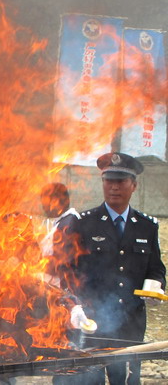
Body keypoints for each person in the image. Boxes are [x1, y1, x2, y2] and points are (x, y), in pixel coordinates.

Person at [61, 152, 166, 385]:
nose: (114, 187)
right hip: (93, 322)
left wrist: (155, 286)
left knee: (126, 380)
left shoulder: (147, 226)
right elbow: (68, 270)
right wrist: (73, 304)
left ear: (134, 186)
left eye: (120, 181)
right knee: (91, 380)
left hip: (131, 325)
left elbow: (156, 268)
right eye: (109, 181)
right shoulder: (83, 223)